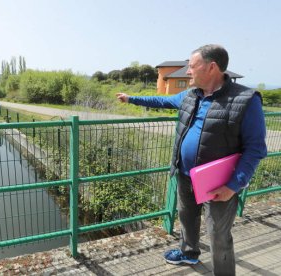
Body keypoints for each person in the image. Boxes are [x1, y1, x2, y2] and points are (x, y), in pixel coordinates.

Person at [116, 44, 267, 276]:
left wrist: (233, 185)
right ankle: (188, 253)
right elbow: (161, 102)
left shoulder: (245, 100)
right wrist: (131, 99)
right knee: (187, 219)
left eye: (192, 65)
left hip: (220, 184)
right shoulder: (189, 95)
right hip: (185, 175)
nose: (187, 71)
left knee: (218, 235)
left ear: (211, 67)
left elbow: (255, 149)